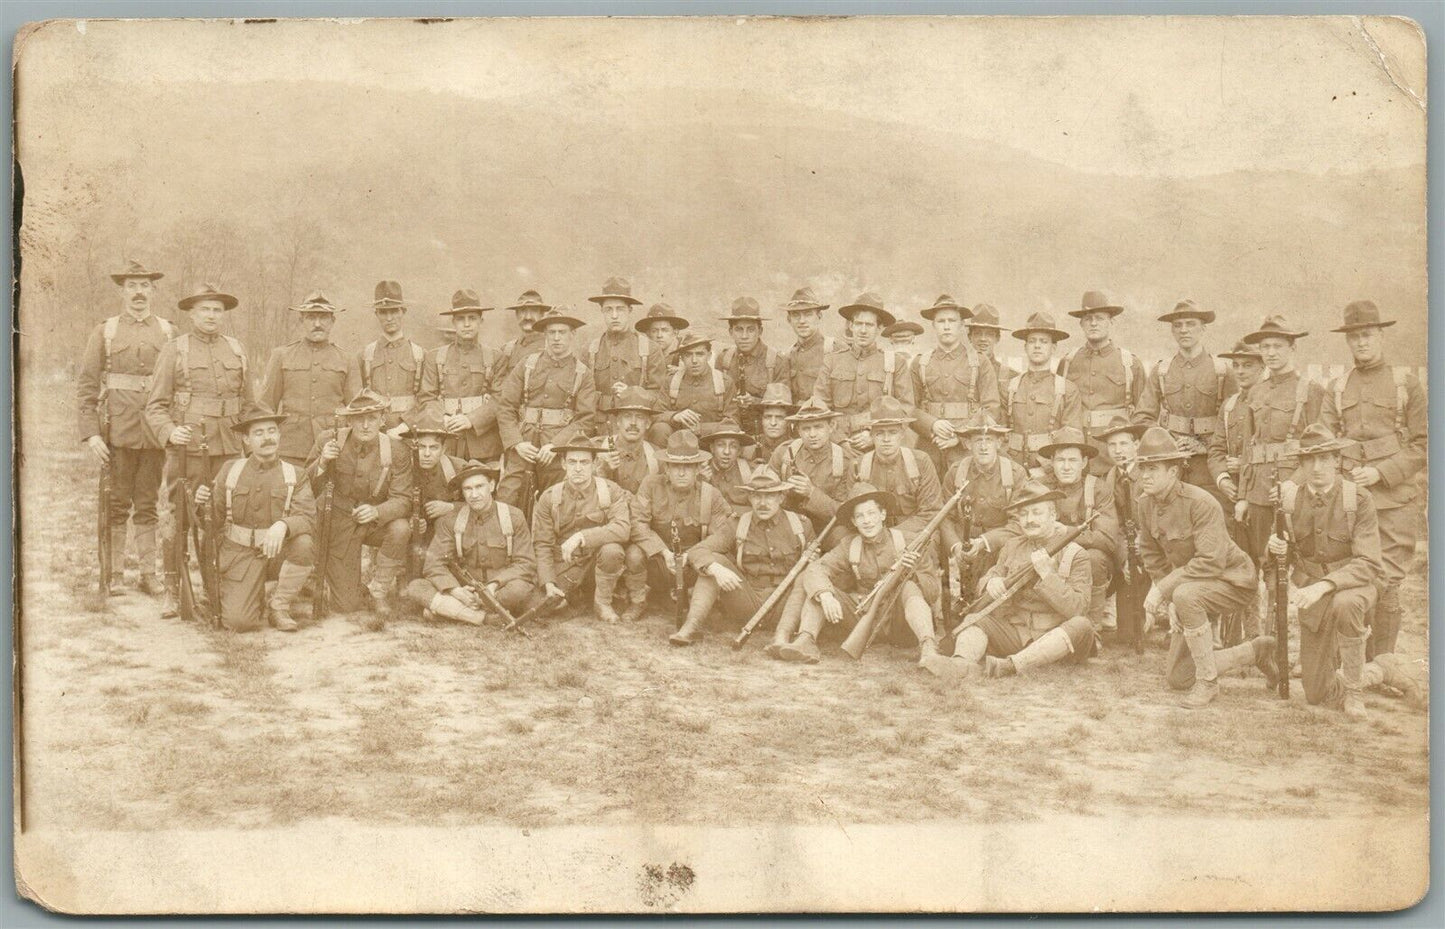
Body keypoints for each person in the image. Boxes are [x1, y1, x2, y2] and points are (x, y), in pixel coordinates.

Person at [1264, 425, 1420, 715]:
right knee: (1315, 693)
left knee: (1345, 603)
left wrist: (1323, 585)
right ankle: (1381, 670)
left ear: (1337, 460)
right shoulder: (1289, 501)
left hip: (1355, 586)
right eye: (1309, 460)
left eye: (1325, 459)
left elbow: (1369, 563)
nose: (1317, 467)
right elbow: (1274, 564)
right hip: (1314, 593)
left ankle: (1354, 691)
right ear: (1301, 465)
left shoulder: (1357, 499)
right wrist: (1276, 551)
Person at [1130, 428, 1277, 709]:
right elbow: (1151, 555)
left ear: (1173, 472)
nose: (1145, 475)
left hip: (1233, 582)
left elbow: (1211, 561)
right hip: (1192, 587)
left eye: (1153, 468)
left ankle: (1208, 683)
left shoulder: (1201, 502)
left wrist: (1164, 591)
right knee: (1178, 676)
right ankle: (1256, 651)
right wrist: (1170, 595)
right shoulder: (1145, 504)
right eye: (1142, 468)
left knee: (1186, 596)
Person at [1320, 300, 1426, 660]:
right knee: (1353, 574)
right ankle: (1351, 661)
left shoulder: (1405, 385)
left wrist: (1381, 473)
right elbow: (1324, 443)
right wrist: (1344, 478)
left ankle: (1383, 665)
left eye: (1367, 335)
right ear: (1347, 342)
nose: (1361, 343)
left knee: (1389, 580)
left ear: (1380, 336)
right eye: (1354, 337)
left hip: (1395, 501)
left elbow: (1424, 444)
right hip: (1351, 501)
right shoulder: (1337, 388)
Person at [923, 480, 1095, 681]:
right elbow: (990, 577)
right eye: (1023, 514)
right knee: (978, 620)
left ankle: (1011, 666)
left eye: (1036, 513)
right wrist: (990, 583)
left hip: (1058, 638)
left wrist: (1048, 576)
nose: (1029, 520)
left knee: (1082, 624)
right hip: (1016, 634)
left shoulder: (1076, 554)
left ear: (1053, 515)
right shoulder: (1012, 546)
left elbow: (1078, 608)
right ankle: (961, 664)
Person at [77, 259, 178, 593]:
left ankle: (148, 574)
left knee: (148, 503)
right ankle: (116, 574)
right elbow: (88, 386)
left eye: (145, 285)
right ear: (123, 291)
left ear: (153, 291)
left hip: (154, 433)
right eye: (132, 286)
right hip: (116, 432)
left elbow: (179, 383)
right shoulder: (105, 331)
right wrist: (91, 434)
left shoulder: (167, 331)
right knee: (117, 504)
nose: (139, 292)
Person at [779, 483, 940, 665]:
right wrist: (825, 595)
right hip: (862, 616)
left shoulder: (911, 542)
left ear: (883, 515)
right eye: (860, 516)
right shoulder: (849, 544)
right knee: (819, 590)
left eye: (871, 513)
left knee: (909, 587)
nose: (867, 521)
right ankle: (805, 640)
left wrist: (911, 575)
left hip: (901, 624)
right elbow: (816, 568)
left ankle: (928, 648)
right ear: (854, 522)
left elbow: (933, 591)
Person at [194, 403, 315, 632]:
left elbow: (307, 517)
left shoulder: (295, 474)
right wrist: (202, 506)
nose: (267, 438)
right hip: (239, 554)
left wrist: (283, 525)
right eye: (258, 433)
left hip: (277, 552)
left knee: (304, 542)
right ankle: (249, 594)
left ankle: (279, 606)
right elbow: (213, 523)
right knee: (240, 623)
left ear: (279, 434)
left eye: (271, 431)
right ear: (246, 440)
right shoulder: (230, 470)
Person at [1225, 315, 1326, 569]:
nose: (1270, 353)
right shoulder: (1256, 391)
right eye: (1265, 347)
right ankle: (1268, 609)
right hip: (1259, 491)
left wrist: (1294, 483)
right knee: (1264, 560)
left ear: (1293, 349)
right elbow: (1250, 448)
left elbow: (1320, 450)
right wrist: (1243, 497)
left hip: (1296, 488)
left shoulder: (1310, 390)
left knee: (1303, 562)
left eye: (1277, 346)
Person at [676, 466, 816, 649]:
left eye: (770, 496)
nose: (762, 503)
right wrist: (715, 569)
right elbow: (697, 551)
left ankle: (782, 637)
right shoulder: (737, 524)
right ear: (750, 498)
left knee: (808, 574)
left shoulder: (801, 525)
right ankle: (690, 628)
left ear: (781, 498)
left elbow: (817, 566)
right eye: (757, 496)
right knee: (713, 562)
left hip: (787, 605)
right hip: (747, 601)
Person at [304, 388, 415, 617]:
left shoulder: (397, 450)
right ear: (349, 420)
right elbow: (306, 487)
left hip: (375, 523)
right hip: (338, 523)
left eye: (372, 418)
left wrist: (377, 511)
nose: (365, 425)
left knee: (401, 528)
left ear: (382, 420)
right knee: (346, 606)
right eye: (359, 419)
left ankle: (378, 590)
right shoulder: (328, 439)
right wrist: (323, 462)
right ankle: (338, 583)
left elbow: (403, 500)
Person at [405, 461, 538, 626]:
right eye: (468, 489)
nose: (474, 495)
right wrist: (456, 590)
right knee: (416, 587)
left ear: (491, 485)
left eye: (479, 487)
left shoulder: (513, 516)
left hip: (500, 590)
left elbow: (526, 563)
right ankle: (482, 618)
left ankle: (449, 612)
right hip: (465, 589)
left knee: (520, 589)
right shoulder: (451, 520)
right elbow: (434, 564)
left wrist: (494, 585)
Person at [145, 282, 252, 486]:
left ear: (223, 315)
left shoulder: (237, 349)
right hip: (190, 446)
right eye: (204, 309)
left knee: (227, 506)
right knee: (187, 509)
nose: (211, 315)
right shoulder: (174, 349)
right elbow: (155, 406)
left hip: (230, 446)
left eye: (217, 310)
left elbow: (249, 404)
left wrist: (250, 446)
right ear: (192, 314)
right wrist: (170, 432)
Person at [495, 307, 596, 509]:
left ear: (572, 335)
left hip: (556, 449)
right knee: (507, 496)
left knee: (556, 500)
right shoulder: (527, 364)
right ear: (545, 334)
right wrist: (516, 443)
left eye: (562, 332)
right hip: (524, 444)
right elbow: (505, 406)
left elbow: (586, 419)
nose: (556, 338)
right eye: (551, 332)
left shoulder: (582, 373)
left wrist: (556, 445)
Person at [530, 429, 634, 622]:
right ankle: (576, 597)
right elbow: (542, 544)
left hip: (597, 561)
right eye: (572, 462)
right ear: (563, 464)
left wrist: (582, 537)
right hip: (566, 563)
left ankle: (603, 602)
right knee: (539, 605)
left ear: (594, 464)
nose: (578, 468)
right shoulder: (550, 497)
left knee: (612, 550)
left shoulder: (611, 491)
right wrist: (548, 582)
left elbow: (622, 528)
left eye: (584, 462)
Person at [629, 429, 735, 615]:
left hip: (692, 566)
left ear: (697, 470)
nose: (682, 473)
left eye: (688, 467)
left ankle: (693, 596)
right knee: (634, 554)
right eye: (676, 466)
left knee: (718, 559)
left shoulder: (710, 494)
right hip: (658, 561)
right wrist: (663, 552)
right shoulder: (651, 485)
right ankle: (638, 600)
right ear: (667, 469)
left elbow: (724, 534)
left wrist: (692, 555)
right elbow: (637, 523)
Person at [1136, 299, 1235, 495]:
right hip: (1173, 465)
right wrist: (1167, 442)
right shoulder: (1161, 371)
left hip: (1210, 465)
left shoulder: (1222, 371)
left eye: (1191, 324)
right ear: (1172, 331)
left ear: (1203, 328)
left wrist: (1205, 445)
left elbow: (1234, 421)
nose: (1184, 330)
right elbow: (1142, 418)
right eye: (1178, 325)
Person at [260, 291, 361, 466]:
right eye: (311, 317)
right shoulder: (281, 356)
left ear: (333, 321)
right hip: (290, 447)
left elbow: (356, 410)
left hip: (333, 446)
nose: (317, 324)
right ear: (301, 321)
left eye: (323, 317)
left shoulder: (347, 359)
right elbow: (266, 406)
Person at [1035, 427, 1119, 630]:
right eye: (1060, 460)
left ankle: (1092, 626)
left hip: (1084, 559)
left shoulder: (1098, 489)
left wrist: (1066, 533)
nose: (1065, 467)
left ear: (1083, 463)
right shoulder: (1039, 487)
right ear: (1052, 463)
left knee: (1095, 559)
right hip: (1047, 553)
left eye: (1072, 460)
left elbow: (1108, 539)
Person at [812, 292, 916, 452]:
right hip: (836, 445)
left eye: (869, 325)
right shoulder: (832, 361)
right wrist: (840, 441)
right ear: (851, 326)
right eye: (859, 324)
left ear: (879, 328)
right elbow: (820, 406)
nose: (863, 330)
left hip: (880, 447)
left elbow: (905, 409)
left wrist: (873, 435)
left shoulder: (895, 363)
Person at [1056, 291, 1146, 473]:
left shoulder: (1129, 363)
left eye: (1100, 318)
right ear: (1081, 324)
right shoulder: (1068, 362)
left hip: (1114, 453)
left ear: (1111, 322)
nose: (1094, 323)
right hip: (1078, 451)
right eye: (1088, 318)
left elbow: (1142, 416)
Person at [910, 294, 1002, 470]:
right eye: (941, 321)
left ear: (961, 326)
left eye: (952, 321)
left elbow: (991, 409)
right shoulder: (920, 363)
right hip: (929, 447)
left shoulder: (980, 362)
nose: (946, 326)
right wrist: (933, 424)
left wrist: (960, 437)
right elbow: (908, 408)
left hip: (965, 451)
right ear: (933, 325)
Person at [418, 289, 501, 462]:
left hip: (483, 444)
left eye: (472, 318)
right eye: (461, 319)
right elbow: (427, 397)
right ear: (453, 322)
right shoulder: (435, 357)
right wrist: (443, 419)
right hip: (447, 439)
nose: (467, 324)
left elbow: (501, 400)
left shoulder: (495, 357)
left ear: (481, 321)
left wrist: (471, 420)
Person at [1208, 340, 1267, 567]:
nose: (1240, 371)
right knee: (1238, 558)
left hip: (1263, 492)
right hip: (1233, 493)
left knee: (1268, 559)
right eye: (1236, 365)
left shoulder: (1267, 402)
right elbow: (1216, 450)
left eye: (1248, 365)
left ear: (1261, 367)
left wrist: (1243, 463)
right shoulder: (1230, 405)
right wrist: (1222, 479)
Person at [941, 411, 1020, 581]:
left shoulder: (1015, 474)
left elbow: (1018, 523)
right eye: (978, 441)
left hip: (998, 548)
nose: (983, 447)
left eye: (989, 440)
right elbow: (945, 518)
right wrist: (955, 547)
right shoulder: (955, 473)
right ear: (968, 444)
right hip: (962, 547)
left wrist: (984, 541)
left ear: (999, 443)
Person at [1002, 312, 1083, 474]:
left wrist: (1047, 467)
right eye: (1032, 341)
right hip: (1013, 467)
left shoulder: (1067, 389)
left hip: (1050, 471)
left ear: (1053, 348)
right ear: (1025, 347)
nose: (1037, 346)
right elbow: (999, 435)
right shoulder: (1010, 387)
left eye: (1043, 341)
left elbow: (1071, 440)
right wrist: (1009, 466)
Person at [852, 396, 943, 535]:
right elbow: (853, 511)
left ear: (902, 434)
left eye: (892, 432)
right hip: (872, 535)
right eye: (880, 433)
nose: (886, 439)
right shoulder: (858, 466)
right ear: (871, 436)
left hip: (913, 534)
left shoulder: (921, 461)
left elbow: (931, 512)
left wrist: (893, 535)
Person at [768, 397, 855, 535]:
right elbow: (767, 495)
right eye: (806, 428)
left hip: (825, 530)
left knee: (843, 536)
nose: (812, 434)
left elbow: (844, 513)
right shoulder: (784, 452)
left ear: (831, 426)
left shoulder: (844, 461)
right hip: (789, 526)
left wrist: (811, 493)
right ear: (798, 430)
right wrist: (785, 491)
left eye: (818, 427)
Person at [356, 280, 427, 437]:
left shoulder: (419, 355)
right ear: (376, 314)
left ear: (403, 311)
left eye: (394, 311)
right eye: (383, 312)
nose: (389, 318)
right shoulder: (365, 355)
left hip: (408, 433)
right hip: (375, 434)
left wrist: (405, 426)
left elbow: (426, 399)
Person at [716, 297, 790, 439]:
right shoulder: (723, 359)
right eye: (739, 330)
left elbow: (784, 407)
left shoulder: (776, 361)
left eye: (750, 330)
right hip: (731, 432)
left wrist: (755, 402)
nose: (744, 336)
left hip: (765, 434)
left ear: (760, 331)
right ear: (730, 332)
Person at [652, 332, 738, 445]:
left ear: (709, 356)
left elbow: (733, 423)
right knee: (659, 429)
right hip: (677, 441)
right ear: (682, 358)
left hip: (710, 441)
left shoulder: (724, 382)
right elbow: (656, 415)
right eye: (688, 355)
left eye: (700, 354)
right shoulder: (671, 381)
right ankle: (664, 462)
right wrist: (674, 416)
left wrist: (702, 429)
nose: (694, 361)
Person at [407, 408, 465, 569]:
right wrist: (409, 519)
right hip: (413, 535)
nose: (426, 454)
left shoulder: (457, 468)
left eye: (433, 448)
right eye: (421, 447)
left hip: (446, 535)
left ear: (444, 449)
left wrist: (451, 507)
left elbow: (482, 502)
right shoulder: (403, 470)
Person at [586, 277, 651, 417]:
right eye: (609, 310)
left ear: (630, 310)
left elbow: (659, 394)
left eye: (620, 309)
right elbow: (583, 395)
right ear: (601, 311)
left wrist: (632, 394)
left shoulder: (649, 348)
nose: (614, 316)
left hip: (635, 425)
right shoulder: (590, 349)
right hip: (599, 426)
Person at [596, 386, 662, 495]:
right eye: (627, 416)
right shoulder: (596, 449)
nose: (633, 422)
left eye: (640, 417)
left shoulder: (656, 457)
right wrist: (603, 469)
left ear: (648, 423)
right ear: (618, 421)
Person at [780, 286, 837, 402]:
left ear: (819, 316)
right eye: (796, 315)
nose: (802, 321)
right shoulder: (787, 355)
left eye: (808, 314)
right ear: (788, 319)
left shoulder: (834, 349)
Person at [492, 289, 552, 383]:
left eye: (534, 311)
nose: (528, 317)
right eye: (523, 311)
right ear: (517, 315)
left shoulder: (552, 348)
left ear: (542, 315)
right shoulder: (507, 350)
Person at [699, 420, 755, 514]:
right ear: (712, 448)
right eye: (721, 445)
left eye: (733, 446)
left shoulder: (750, 472)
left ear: (739, 451)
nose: (727, 452)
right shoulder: (701, 472)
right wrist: (700, 484)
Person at [636, 302, 688, 401]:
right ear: (648, 334)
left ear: (675, 332)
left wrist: (685, 372)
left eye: (664, 330)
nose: (659, 335)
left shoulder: (687, 353)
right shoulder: (644, 355)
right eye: (654, 331)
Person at [746, 382, 795, 463]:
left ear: (789, 422)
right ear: (761, 420)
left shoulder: (796, 448)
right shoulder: (748, 448)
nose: (773, 423)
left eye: (779, 418)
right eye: (768, 417)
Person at [965, 302, 1006, 377]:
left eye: (989, 334)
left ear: (997, 338)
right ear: (970, 337)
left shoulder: (1006, 374)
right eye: (978, 333)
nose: (983, 338)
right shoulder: (960, 370)